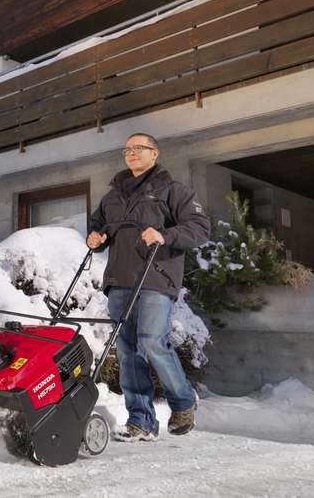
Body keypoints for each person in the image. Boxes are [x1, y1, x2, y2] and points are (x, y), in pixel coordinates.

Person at [87, 133, 210, 441]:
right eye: (127, 149)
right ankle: (140, 421)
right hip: (120, 280)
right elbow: (98, 225)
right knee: (128, 352)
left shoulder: (173, 191)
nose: (132, 153)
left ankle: (183, 402)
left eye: (139, 148)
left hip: (157, 278)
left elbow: (199, 228)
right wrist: (96, 237)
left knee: (152, 341)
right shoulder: (113, 196)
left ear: (155, 154)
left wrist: (164, 236)